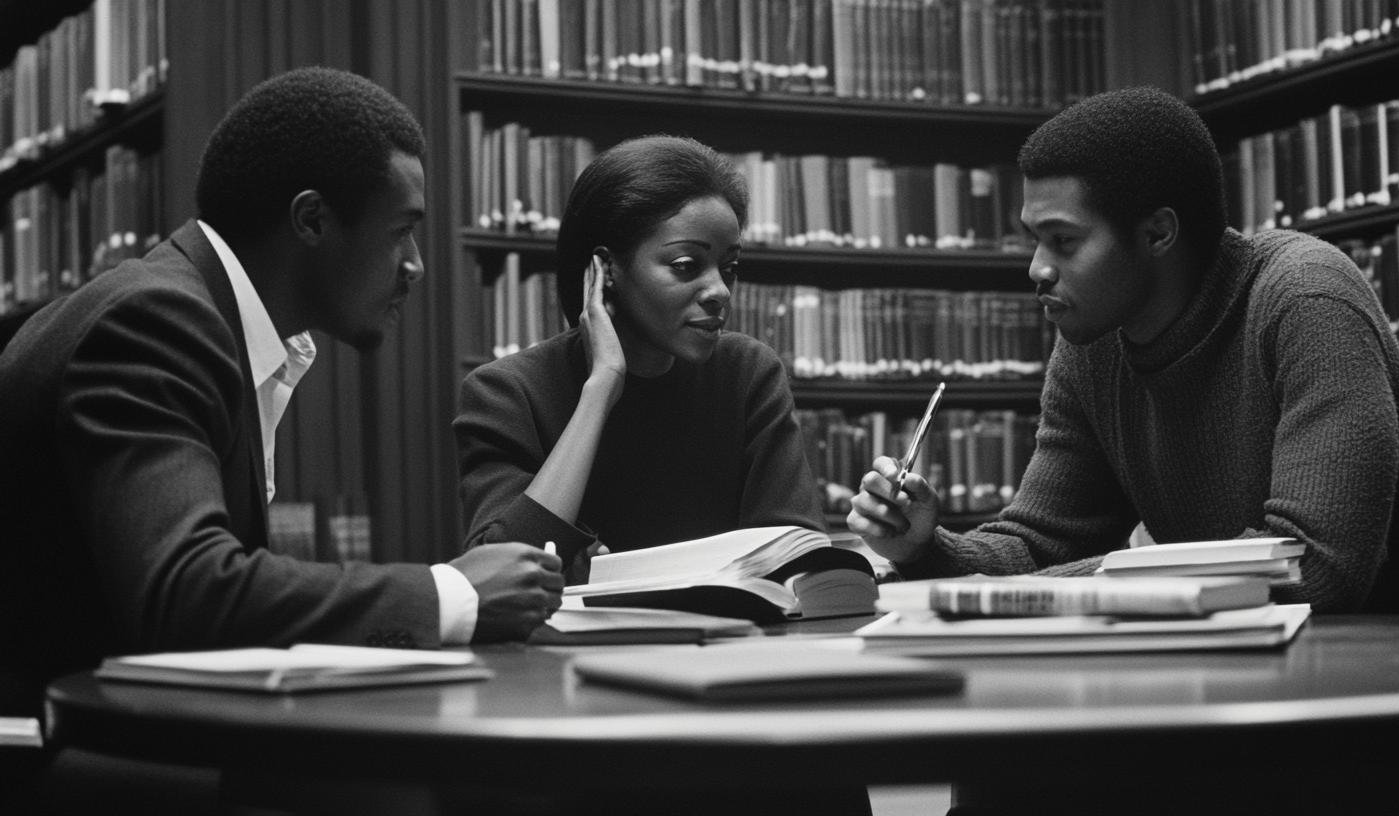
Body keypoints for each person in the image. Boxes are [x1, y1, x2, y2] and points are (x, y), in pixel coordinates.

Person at [0, 67, 564, 734]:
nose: (413, 264)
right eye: (399, 231)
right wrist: (455, 593)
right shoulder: (155, 321)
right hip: (54, 755)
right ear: (313, 220)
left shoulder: (195, 311)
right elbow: (188, 592)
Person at [847, 86, 1399, 614]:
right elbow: (1043, 543)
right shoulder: (1092, 342)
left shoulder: (1306, 299)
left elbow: (1316, 569)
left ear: (1158, 233)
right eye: (1036, 241)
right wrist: (925, 546)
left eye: (1064, 241)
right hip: (1254, 662)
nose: (1038, 269)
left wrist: (1095, 580)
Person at [454, 135, 823, 582]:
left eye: (728, 267)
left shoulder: (748, 375)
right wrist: (600, 391)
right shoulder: (507, 393)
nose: (720, 292)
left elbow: (799, 559)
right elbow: (497, 571)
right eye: (686, 265)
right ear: (606, 270)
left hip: (735, 643)